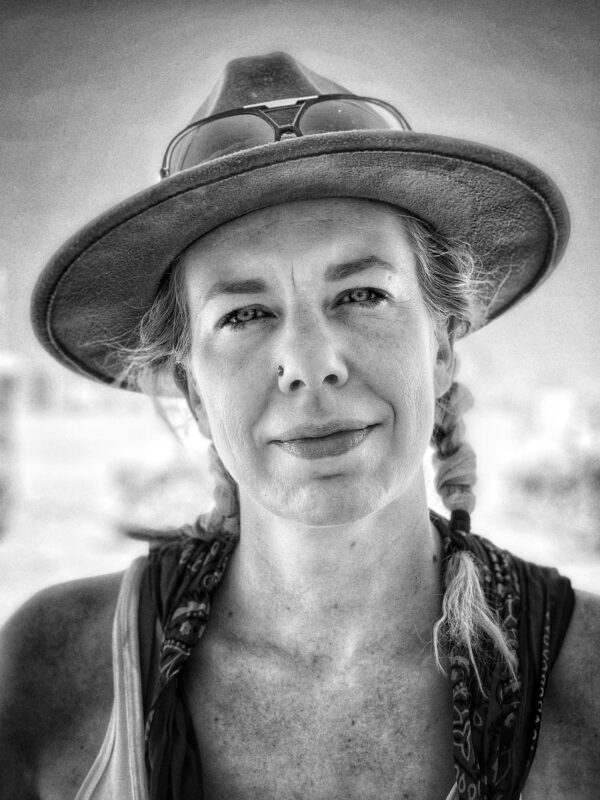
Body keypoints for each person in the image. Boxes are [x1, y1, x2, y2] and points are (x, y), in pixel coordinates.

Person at [0, 52, 598, 800]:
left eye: (362, 294)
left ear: (442, 347)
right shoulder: (51, 672)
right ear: (192, 389)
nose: (311, 366)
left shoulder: (585, 676)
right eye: (245, 314)